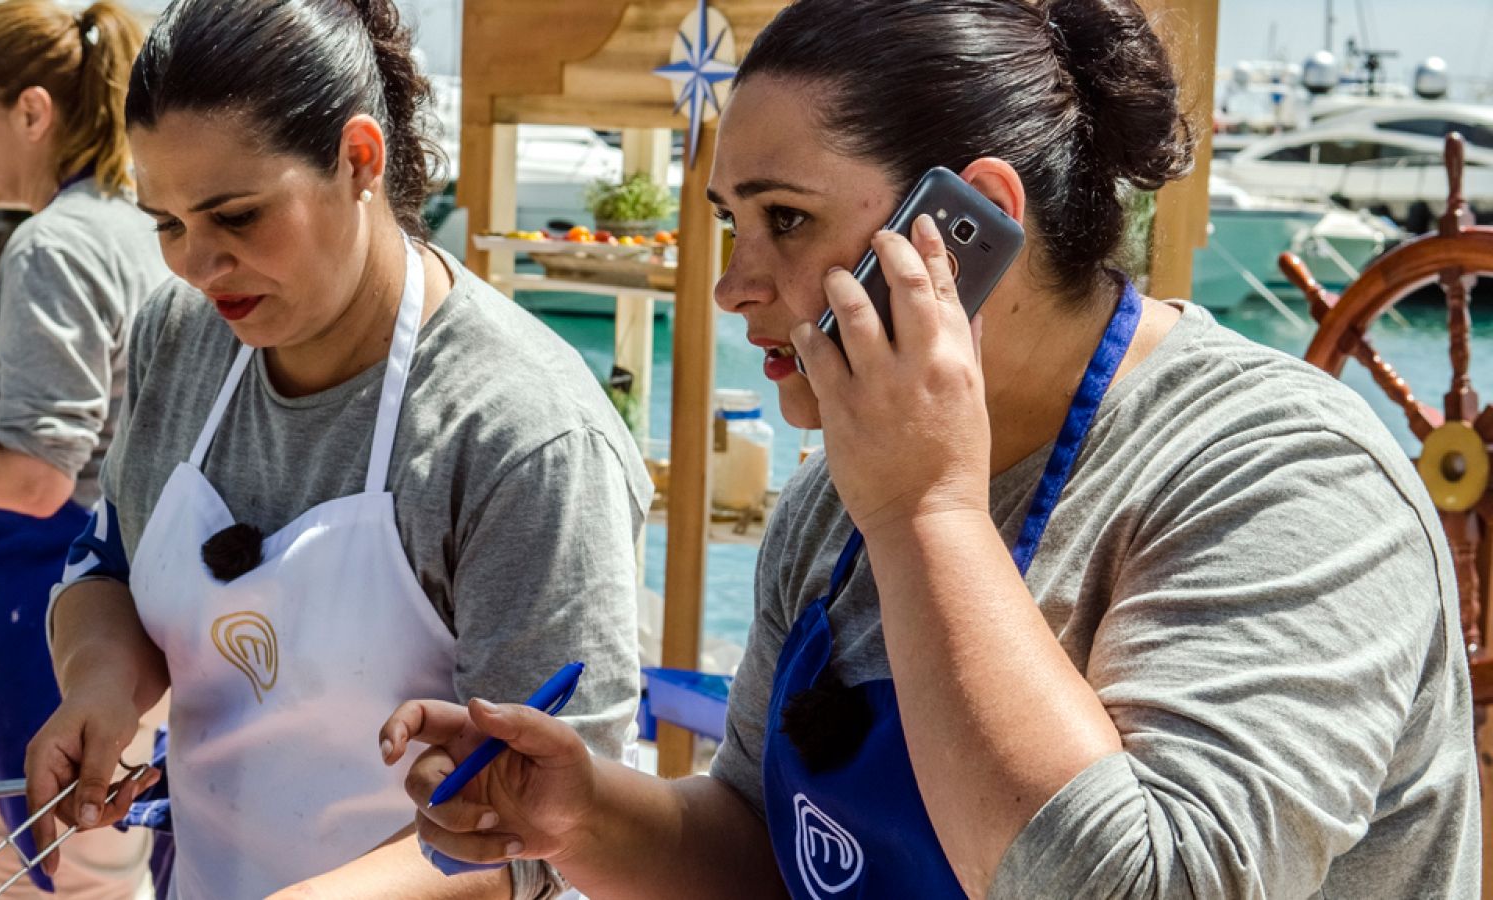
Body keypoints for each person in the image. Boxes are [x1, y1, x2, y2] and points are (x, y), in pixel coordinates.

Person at [381, 1, 1481, 897]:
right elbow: (766, 841)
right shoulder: (837, 499)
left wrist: (930, 516)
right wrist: (584, 816)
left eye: (787, 221)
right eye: (730, 224)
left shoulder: (1278, 473)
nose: (732, 286)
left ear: (966, 224)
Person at [21, 0, 648, 896]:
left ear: (360, 159)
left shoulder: (523, 434)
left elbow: (546, 833)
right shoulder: (180, 335)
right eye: (165, 223)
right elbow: (110, 565)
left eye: (235, 216)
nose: (197, 267)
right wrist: (98, 689)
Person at [0, 2, 169, 895]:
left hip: (47, 608)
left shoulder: (52, 246)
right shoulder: (136, 225)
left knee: (57, 866)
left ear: (32, 111)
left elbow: (37, 476)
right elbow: (107, 410)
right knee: (76, 856)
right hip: (134, 599)